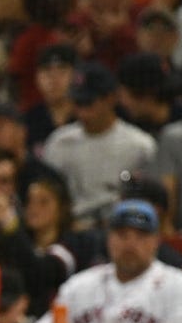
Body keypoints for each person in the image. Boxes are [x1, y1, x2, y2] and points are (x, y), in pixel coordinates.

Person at [43, 199, 182, 323]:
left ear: (156, 240)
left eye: (140, 236)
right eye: (122, 235)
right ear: (109, 238)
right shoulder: (77, 286)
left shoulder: (178, 286)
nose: (130, 244)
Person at [42, 62, 156, 227]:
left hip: (120, 227)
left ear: (110, 99)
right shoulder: (58, 142)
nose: (82, 112)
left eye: (88, 103)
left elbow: (149, 201)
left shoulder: (140, 145)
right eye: (78, 103)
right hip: (69, 229)